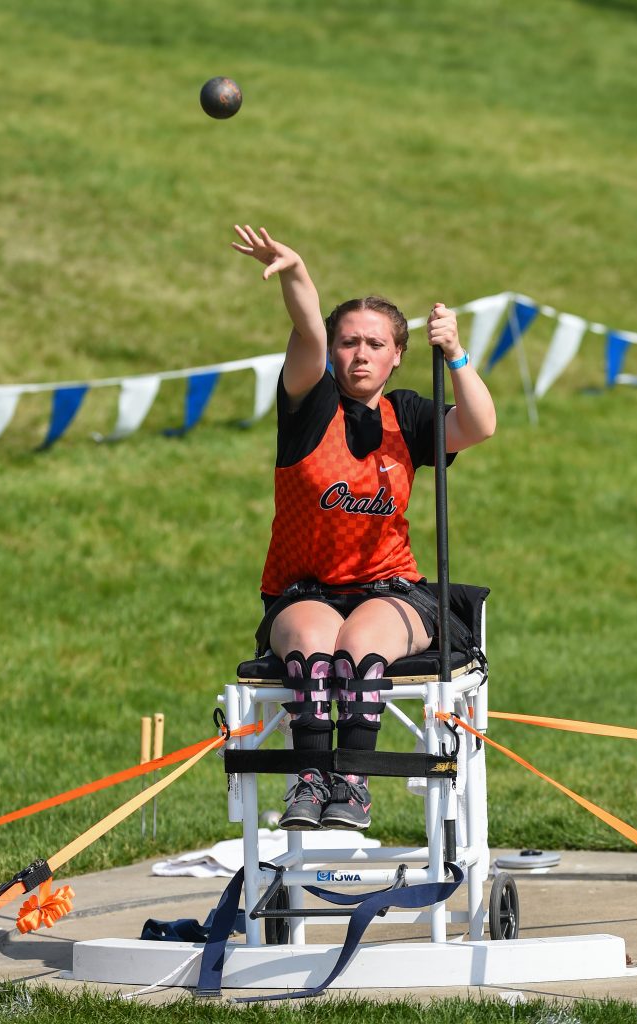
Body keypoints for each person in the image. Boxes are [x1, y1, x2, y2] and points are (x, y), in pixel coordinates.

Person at [232, 224, 496, 831]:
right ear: (332, 349)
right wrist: (297, 272)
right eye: (348, 341)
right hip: (306, 590)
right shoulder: (309, 402)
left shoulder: (408, 413)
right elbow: (303, 329)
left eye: (374, 344)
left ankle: (351, 783)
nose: (360, 354)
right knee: (313, 655)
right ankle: (308, 781)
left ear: (396, 354)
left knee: (361, 652)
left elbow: (478, 425)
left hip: (390, 588)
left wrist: (455, 353)